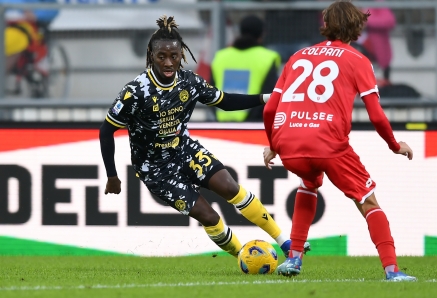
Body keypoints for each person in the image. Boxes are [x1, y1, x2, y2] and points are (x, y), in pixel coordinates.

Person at [99, 15, 308, 258]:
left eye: (174, 57)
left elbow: (225, 101)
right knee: (210, 216)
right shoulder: (135, 91)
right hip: (155, 169)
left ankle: (285, 243)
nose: (168, 62)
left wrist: (265, 98)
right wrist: (112, 175)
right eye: (161, 57)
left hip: (184, 149)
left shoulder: (190, 82)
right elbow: (106, 131)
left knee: (231, 187)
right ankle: (245, 256)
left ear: (181, 56)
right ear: (151, 56)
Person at [262, 0, 416, 281]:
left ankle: (294, 258)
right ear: (357, 26)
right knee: (368, 201)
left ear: (325, 24)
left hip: (289, 143)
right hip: (328, 143)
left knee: (308, 183)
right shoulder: (358, 60)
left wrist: (273, 144)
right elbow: (377, 116)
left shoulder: (297, 56)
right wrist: (395, 145)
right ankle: (392, 270)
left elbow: (270, 108)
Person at [210, 15, 281, 122]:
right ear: (262, 34)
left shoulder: (220, 56)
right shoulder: (268, 57)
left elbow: (208, 91)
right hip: (253, 125)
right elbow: (269, 94)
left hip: (221, 123)